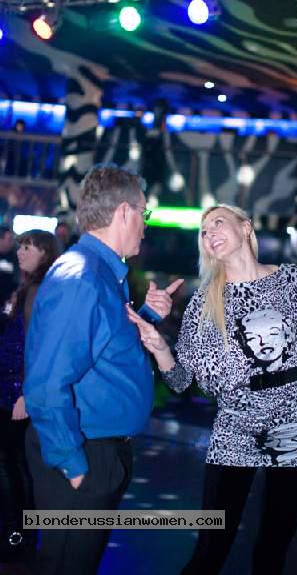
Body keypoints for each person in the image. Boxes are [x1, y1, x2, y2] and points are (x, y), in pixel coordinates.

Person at [127, 204, 297, 575]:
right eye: (204, 231)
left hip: (291, 422)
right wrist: (159, 348)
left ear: (245, 227)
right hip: (235, 423)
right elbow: (181, 380)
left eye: (217, 223)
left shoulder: (290, 279)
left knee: (273, 547)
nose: (209, 234)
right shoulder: (205, 300)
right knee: (211, 548)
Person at [24, 163, 183, 575]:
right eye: (144, 213)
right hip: (83, 452)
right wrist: (73, 466)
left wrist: (149, 314)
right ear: (124, 212)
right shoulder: (83, 278)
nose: (145, 225)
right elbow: (47, 384)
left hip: (95, 448)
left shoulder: (99, 273)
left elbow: (104, 345)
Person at [0, 230, 58, 560]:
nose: (21, 251)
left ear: (45, 253)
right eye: (20, 246)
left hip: (17, 390)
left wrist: (25, 392)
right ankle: (18, 533)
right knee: (13, 462)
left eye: (29, 247)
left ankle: (17, 535)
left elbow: (38, 345)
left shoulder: (39, 289)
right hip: (10, 386)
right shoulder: (26, 287)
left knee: (11, 463)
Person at [0, 225, 19, 309]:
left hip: (7, 304)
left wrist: (8, 309)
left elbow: (14, 285)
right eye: (10, 240)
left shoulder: (14, 258)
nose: (12, 242)